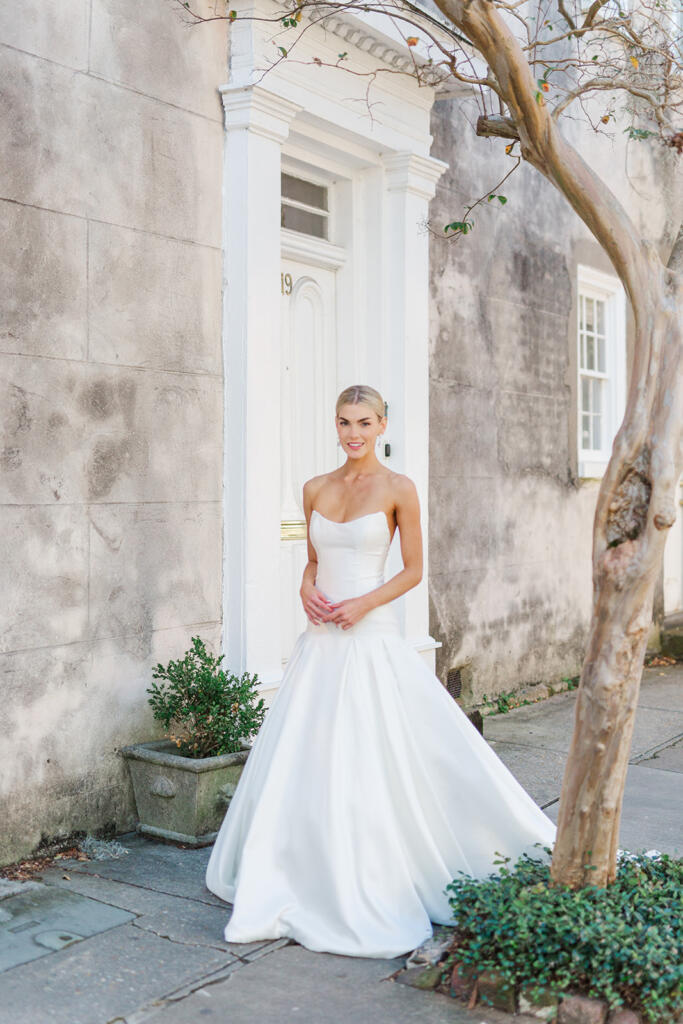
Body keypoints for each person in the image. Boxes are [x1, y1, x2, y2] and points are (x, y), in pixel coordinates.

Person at [205, 383, 556, 959]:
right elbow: (315, 561)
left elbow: (414, 569)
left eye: (365, 423)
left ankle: (374, 867)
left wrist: (364, 604)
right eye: (344, 422)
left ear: (383, 425)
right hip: (320, 641)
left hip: (368, 636)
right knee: (310, 753)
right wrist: (305, 588)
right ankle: (301, 865)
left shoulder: (400, 489)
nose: (353, 433)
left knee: (374, 751)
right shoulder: (316, 487)